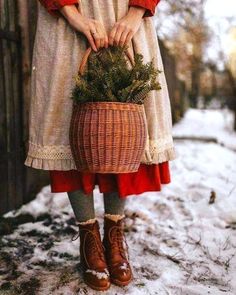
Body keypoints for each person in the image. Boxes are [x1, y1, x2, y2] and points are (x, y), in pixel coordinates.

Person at [24, 0, 177, 291]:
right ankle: (89, 238)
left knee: (122, 128)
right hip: (66, 22)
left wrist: (136, 12)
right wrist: (72, 14)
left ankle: (114, 235)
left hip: (125, 18)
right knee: (64, 123)